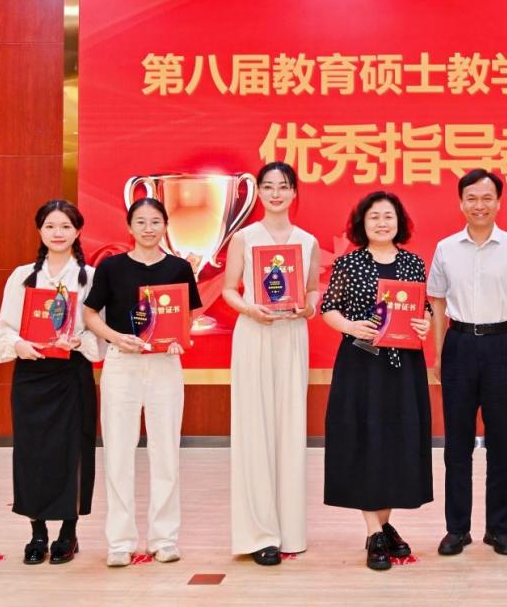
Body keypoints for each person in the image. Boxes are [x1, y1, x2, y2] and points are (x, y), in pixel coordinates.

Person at [428, 168, 507, 557]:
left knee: (501, 443)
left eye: (487, 198)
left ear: (499, 202)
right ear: (461, 203)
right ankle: (457, 529)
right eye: (472, 198)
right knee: (456, 444)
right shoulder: (446, 248)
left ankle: (498, 529)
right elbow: (437, 303)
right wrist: (439, 352)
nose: (480, 205)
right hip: (459, 344)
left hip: (501, 346)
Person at [83, 197, 202, 568]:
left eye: (155, 221)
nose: (148, 228)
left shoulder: (179, 267)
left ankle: (164, 538)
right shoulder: (111, 267)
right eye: (141, 221)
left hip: (165, 365)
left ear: (165, 225)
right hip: (123, 366)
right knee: (118, 453)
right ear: (129, 226)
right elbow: (89, 313)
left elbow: (190, 314)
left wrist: (182, 337)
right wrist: (115, 338)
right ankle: (120, 542)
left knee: (166, 452)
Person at [320, 191, 433, 571]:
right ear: (362, 224)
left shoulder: (413, 264)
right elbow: (329, 310)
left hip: (403, 367)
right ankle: (374, 532)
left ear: (399, 222)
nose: (382, 223)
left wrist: (424, 324)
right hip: (362, 365)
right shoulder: (349, 263)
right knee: (365, 443)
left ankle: (384, 528)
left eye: (388, 216)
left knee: (396, 445)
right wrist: (352, 326)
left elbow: (424, 311)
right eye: (374, 217)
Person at [0, 199, 101, 565]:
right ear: (40, 230)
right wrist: (18, 344)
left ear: (77, 231)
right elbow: (4, 328)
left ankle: (68, 532)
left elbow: (99, 331)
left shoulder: (89, 277)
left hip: (72, 374)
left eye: (66, 226)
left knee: (73, 451)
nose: (58, 233)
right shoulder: (22, 276)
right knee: (32, 452)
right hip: (31, 375)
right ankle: (37, 532)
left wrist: (78, 342)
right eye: (50, 226)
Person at [222, 162, 321, 566]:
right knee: (254, 429)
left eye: (283, 186)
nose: (276, 194)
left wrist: (307, 309)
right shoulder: (244, 238)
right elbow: (229, 289)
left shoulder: (308, 241)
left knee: (290, 428)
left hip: (292, 336)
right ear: (259, 193)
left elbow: (312, 290)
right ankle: (259, 533)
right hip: (255, 333)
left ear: (294, 192)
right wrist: (250, 308)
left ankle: (290, 531)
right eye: (268, 187)